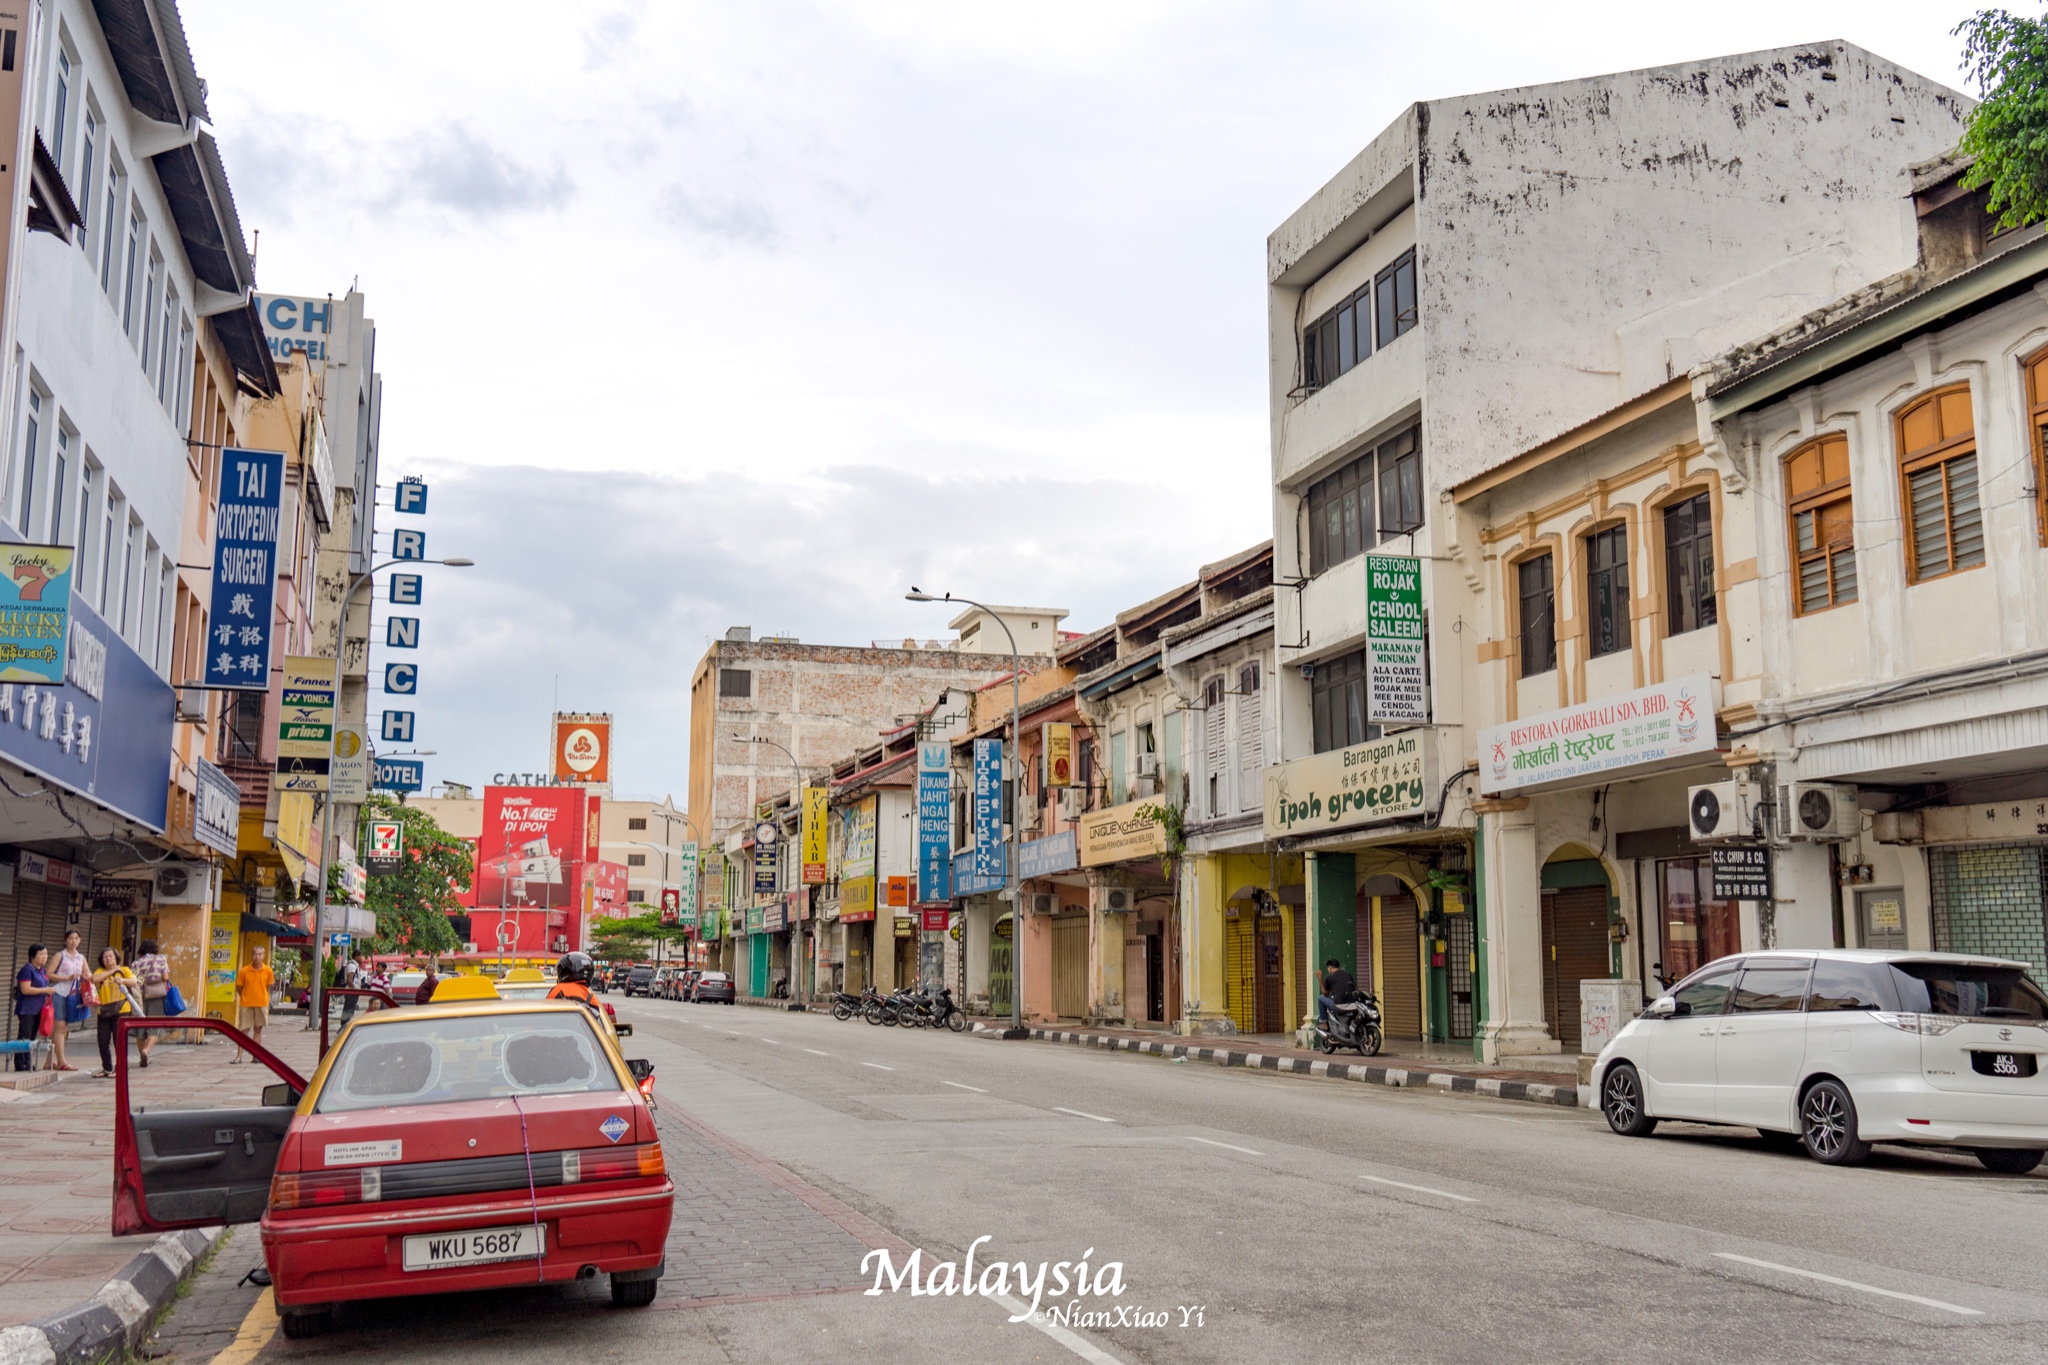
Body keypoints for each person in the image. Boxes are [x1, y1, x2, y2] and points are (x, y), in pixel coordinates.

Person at [89, 947, 138, 1078]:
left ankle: (121, 1068)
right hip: (104, 1011)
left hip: (122, 1010)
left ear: (116, 957)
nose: (108, 959)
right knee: (103, 1041)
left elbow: (133, 982)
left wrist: (122, 980)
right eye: (105, 957)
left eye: (111, 956)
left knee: (119, 1041)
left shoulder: (125, 970)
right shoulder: (100, 971)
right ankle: (107, 1068)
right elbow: (94, 979)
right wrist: (111, 971)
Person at [13, 945, 54, 1072]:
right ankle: (20, 1064)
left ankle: (28, 1062)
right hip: (27, 1008)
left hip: (38, 1009)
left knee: (32, 1037)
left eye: (46, 954)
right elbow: (25, 989)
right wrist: (45, 990)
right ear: (32, 956)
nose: (44, 957)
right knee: (24, 1036)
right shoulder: (27, 970)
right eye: (41, 954)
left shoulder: (41, 970)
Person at [49, 929, 86, 1072]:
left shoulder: (80, 957)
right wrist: (66, 978)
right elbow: (49, 974)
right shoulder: (60, 955)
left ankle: (49, 1061)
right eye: (71, 938)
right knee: (60, 1028)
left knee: (62, 1028)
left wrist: (86, 976)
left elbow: (87, 972)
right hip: (59, 993)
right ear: (65, 940)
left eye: (76, 938)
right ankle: (61, 1062)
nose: (74, 941)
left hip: (73, 995)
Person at [131, 940, 170, 1068]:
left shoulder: (136, 963)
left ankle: (142, 1057)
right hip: (156, 996)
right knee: (154, 1025)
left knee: (140, 1028)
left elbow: (133, 981)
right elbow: (165, 977)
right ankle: (146, 1051)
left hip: (140, 998)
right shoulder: (161, 959)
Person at [233, 947, 275, 1060]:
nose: (257, 957)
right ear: (252, 955)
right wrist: (247, 996)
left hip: (261, 1003)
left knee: (258, 1030)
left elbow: (268, 987)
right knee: (244, 1030)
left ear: (263, 955)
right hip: (246, 1004)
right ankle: (239, 1056)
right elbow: (239, 988)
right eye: (255, 954)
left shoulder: (268, 971)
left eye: (260, 954)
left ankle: (256, 1056)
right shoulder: (244, 971)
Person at [1318, 958, 1356, 1026]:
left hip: (1339, 1006)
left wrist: (1319, 979)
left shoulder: (1329, 977)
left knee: (1320, 998)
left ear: (1329, 967)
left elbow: (1325, 993)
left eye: (1328, 968)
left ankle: (1324, 1024)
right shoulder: (1348, 975)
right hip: (1353, 1005)